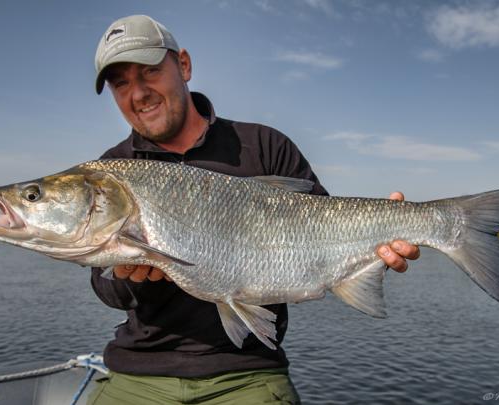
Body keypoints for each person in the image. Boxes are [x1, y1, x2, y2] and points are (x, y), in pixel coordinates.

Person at [87, 14, 420, 405]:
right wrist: (129, 277)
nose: (138, 93)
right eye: (121, 83)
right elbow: (107, 289)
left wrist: (382, 238)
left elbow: (326, 233)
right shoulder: (112, 169)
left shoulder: (264, 145)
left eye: (150, 72)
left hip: (249, 371)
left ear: (184, 65)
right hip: (139, 374)